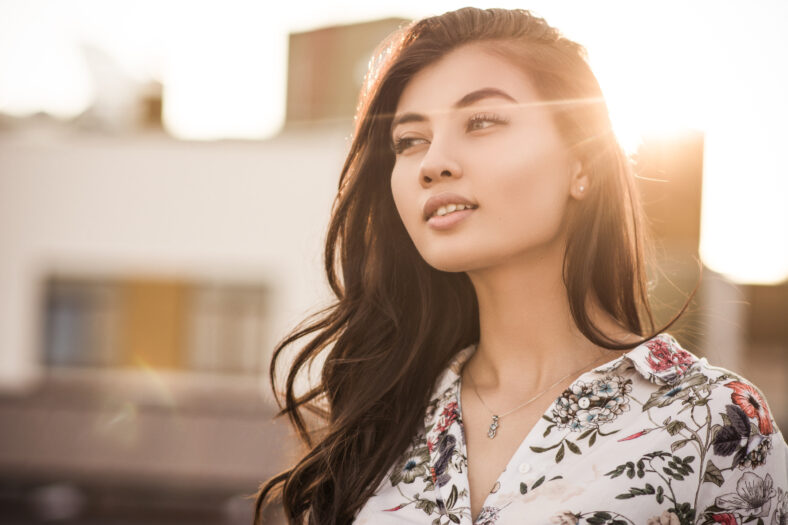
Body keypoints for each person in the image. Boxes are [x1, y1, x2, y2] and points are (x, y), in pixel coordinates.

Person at [254, 7, 788, 525]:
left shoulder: (714, 421)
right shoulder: (381, 418)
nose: (434, 161)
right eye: (409, 140)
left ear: (582, 162)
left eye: (481, 121)